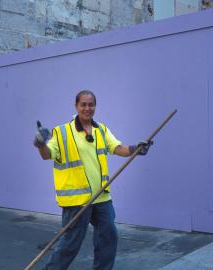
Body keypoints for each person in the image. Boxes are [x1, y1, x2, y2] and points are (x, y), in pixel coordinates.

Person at [33, 90, 152, 270]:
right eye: (84, 104)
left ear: (95, 106)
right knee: (70, 244)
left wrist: (137, 148)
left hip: (101, 197)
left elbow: (117, 147)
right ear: (76, 106)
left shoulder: (101, 129)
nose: (87, 108)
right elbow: (47, 155)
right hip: (77, 201)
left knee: (108, 237)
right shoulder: (62, 132)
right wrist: (41, 144)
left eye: (91, 105)